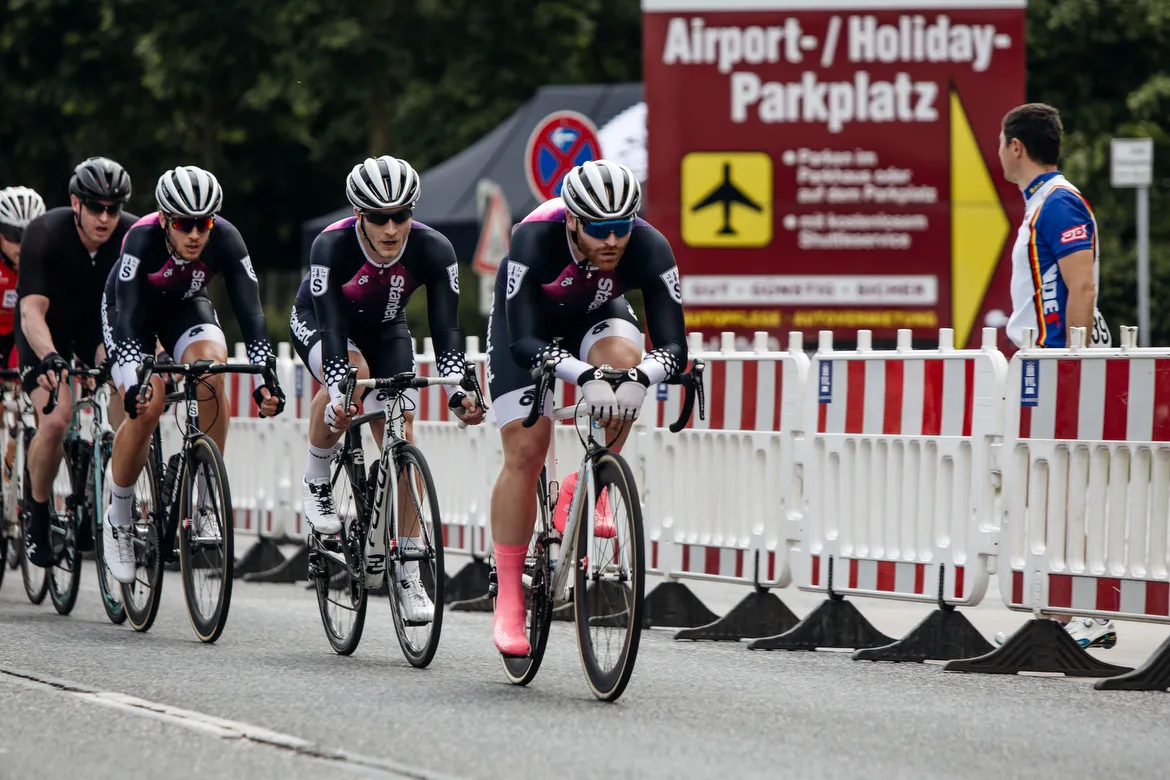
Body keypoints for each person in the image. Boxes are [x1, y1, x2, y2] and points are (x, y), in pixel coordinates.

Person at [485, 159, 687, 656]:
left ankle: (587, 480)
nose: (613, 241)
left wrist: (638, 376)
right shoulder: (534, 238)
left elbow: (674, 347)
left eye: (622, 227)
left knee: (623, 367)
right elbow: (524, 344)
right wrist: (582, 375)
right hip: (529, 329)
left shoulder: (650, 245)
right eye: (600, 229)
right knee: (528, 448)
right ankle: (510, 593)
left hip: (596, 315)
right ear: (573, 220)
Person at [291, 154, 485, 623]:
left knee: (403, 433)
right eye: (379, 217)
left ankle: (410, 569)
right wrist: (340, 393)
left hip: (387, 328)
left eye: (401, 215)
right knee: (351, 380)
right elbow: (334, 331)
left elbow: (446, 332)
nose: (391, 227)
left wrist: (458, 392)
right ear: (359, 215)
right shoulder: (331, 246)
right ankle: (318, 479)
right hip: (323, 325)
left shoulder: (433, 249)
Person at [101, 164, 284, 584]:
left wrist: (264, 380)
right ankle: (120, 513)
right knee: (148, 405)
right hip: (130, 315)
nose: (196, 234)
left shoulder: (227, 239)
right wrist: (133, 382)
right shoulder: (140, 239)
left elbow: (252, 316)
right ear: (165, 219)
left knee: (212, 374)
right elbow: (127, 315)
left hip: (185, 308)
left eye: (204, 223)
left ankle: (203, 500)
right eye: (184, 224)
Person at [996, 101, 1116, 650]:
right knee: (1047, 489)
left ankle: (1090, 614)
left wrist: (1073, 360)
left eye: (1001, 143)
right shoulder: (1040, 204)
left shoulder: (1058, 203)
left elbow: (1082, 287)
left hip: (1057, 363)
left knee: (1063, 488)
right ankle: (1068, 611)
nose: (999, 153)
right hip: (1043, 362)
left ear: (1016, 147)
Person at [16, 158, 137, 567]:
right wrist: (49, 356)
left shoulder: (131, 235)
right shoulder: (44, 233)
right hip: (46, 330)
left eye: (113, 209)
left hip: (96, 330)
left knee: (134, 401)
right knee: (55, 418)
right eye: (96, 207)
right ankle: (37, 512)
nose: (105, 218)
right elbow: (31, 310)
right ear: (75, 203)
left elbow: (140, 308)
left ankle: (113, 497)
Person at [0, 187, 46, 369]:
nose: (22, 246)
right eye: (14, 236)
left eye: (29, 236)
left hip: (29, 332)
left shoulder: (49, 260)